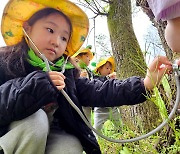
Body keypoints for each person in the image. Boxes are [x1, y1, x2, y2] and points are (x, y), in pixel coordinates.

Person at [0, 0, 172, 154]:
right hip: (12, 133)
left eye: (64, 38)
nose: (56, 41)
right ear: (27, 28)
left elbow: (99, 90)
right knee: (36, 123)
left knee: (71, 146)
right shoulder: (6, 63)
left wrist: (145, 84)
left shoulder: (66, 73)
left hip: (54, 133)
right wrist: (39, 84)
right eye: (50, 30)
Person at [93, 57, 123, 133]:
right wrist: (107, 78)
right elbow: (98, 86)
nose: (109, 70)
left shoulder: (112, 80)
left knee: (119, 126)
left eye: (110, 69)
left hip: (113, 109)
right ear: (99, 69)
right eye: (107, 68)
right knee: (97, 128)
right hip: (100, 110)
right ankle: (96, 141)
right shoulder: (96, 79)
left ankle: (121, 138)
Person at [72, 45, 94, 123]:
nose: (89, 59)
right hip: (78, 99)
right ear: (79, 56)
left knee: (87, 119)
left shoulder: (87, 70)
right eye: (87, 56)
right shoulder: (74, 68)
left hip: (87, 98)